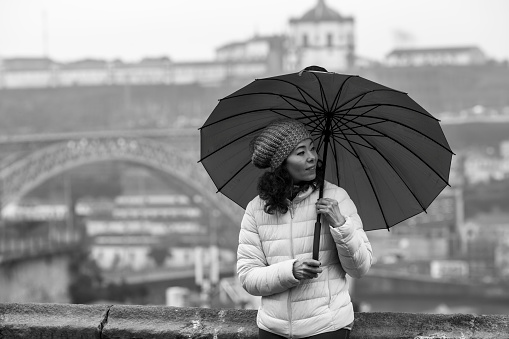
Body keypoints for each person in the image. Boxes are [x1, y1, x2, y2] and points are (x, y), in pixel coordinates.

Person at [237, 119, 373, 339]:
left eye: (312, 148)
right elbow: (248, 277)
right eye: (300, 152)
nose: (312, 157)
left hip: (326, 328)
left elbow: (360, 268)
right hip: (273, 330)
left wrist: (341, 224)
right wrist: (291, 271)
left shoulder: (336, 198)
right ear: (281, 164)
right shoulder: (256, 209)